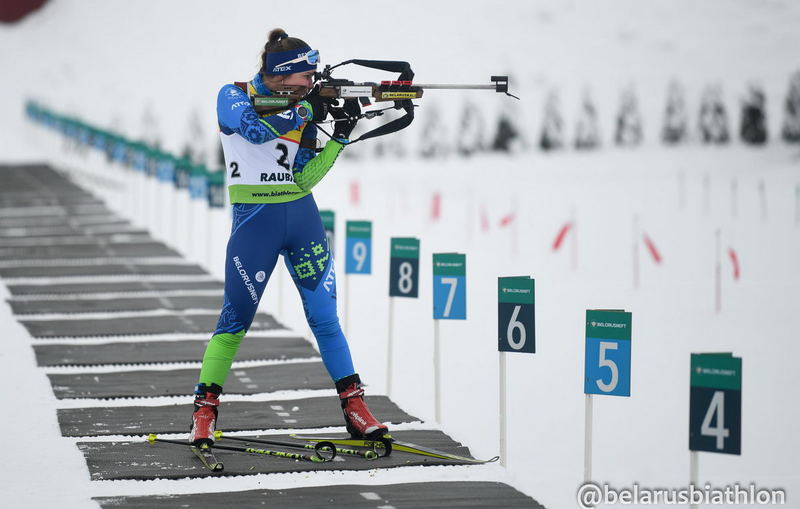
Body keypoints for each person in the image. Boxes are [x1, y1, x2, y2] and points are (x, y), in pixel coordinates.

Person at [189, 28, 387, 447]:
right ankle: (205, 411)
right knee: (235, 319)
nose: (311, 84)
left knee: (325, 318)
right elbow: (254, 132)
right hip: (254, 222)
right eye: (305, 77)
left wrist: (341, 136)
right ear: (282, 74)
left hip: (301, 218)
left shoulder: (304, 106)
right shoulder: (234, 94)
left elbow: (304, 177)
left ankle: (355, 406)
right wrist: (305, 111)